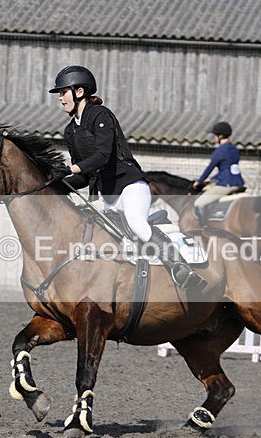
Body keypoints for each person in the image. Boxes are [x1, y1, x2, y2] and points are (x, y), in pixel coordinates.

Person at [49, 65, 206, 292]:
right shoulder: (70, 131)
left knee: (137, 224)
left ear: (79, 92)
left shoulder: (101, 116)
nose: (61, 99)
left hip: (130, 186)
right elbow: (83, 176)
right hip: (107, 196)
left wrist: (70, 169)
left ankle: (181, 268)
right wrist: (55, 184)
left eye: (63, 92)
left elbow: (103, 156)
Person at [192, 121, 245, 226]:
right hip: (239, 183)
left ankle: (203, 228)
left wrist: (199, 181)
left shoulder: (220, 150)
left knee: (198, 203)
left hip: (227, 184)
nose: (213, 138)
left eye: (215, 135)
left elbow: (209, 168)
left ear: (220, 136)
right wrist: (212, 180)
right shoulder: (234, 149)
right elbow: (227, 169)